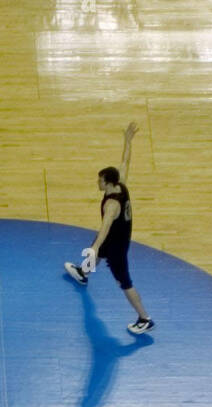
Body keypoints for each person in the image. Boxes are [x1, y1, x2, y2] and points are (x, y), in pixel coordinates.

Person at [65, 122, 155, 335]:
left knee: (124, 282)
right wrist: (127, 140)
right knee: (98, 251)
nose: (98, 182)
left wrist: (95, 247)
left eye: (100, 180)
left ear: (107, 183)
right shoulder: (121, 183)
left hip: (117, 246)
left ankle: (144, 318)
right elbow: (125, 161)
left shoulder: (112, 204)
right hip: (116, 237)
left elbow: (104, 228)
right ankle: (83, 272)